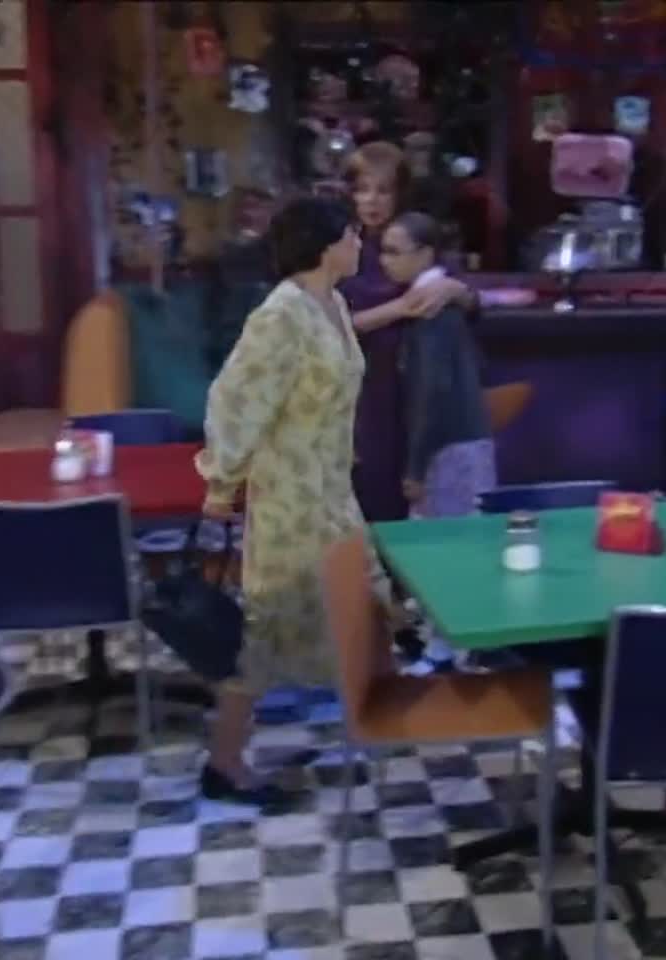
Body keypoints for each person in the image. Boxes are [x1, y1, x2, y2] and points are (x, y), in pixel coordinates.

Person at [196, 195, 399, 805]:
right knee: (269, 624)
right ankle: (224, 763)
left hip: (331, 486)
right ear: (325, 243)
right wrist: (222, 481)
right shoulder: (281, 314)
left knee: (369, 604)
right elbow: (237, 399)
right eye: (351, 234)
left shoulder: (332, 304)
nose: (360, 244)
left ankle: (378, 728)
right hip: (289, 495)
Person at [338, 142, 479, 523]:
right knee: (373, 498)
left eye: (383, 190)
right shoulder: (340, 249)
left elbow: (470, 301)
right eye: (363, 189)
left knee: (425, 505)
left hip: (420, 388)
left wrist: (456, 290)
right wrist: (399, 309)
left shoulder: (416, 239)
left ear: (400, 193)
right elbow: (329, 326)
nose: (372, 200)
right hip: (367, 393)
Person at [381, 212, 497, 670]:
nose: (385, 260)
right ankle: (442, 647)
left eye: (394, 251)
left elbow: (431, 394)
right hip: (459, 442)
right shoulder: (433, 301)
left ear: (425, 254)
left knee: (448, 554)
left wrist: (415, 466)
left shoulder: (432, 309)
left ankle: (453, 649)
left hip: (448, 448)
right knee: (448, 551)